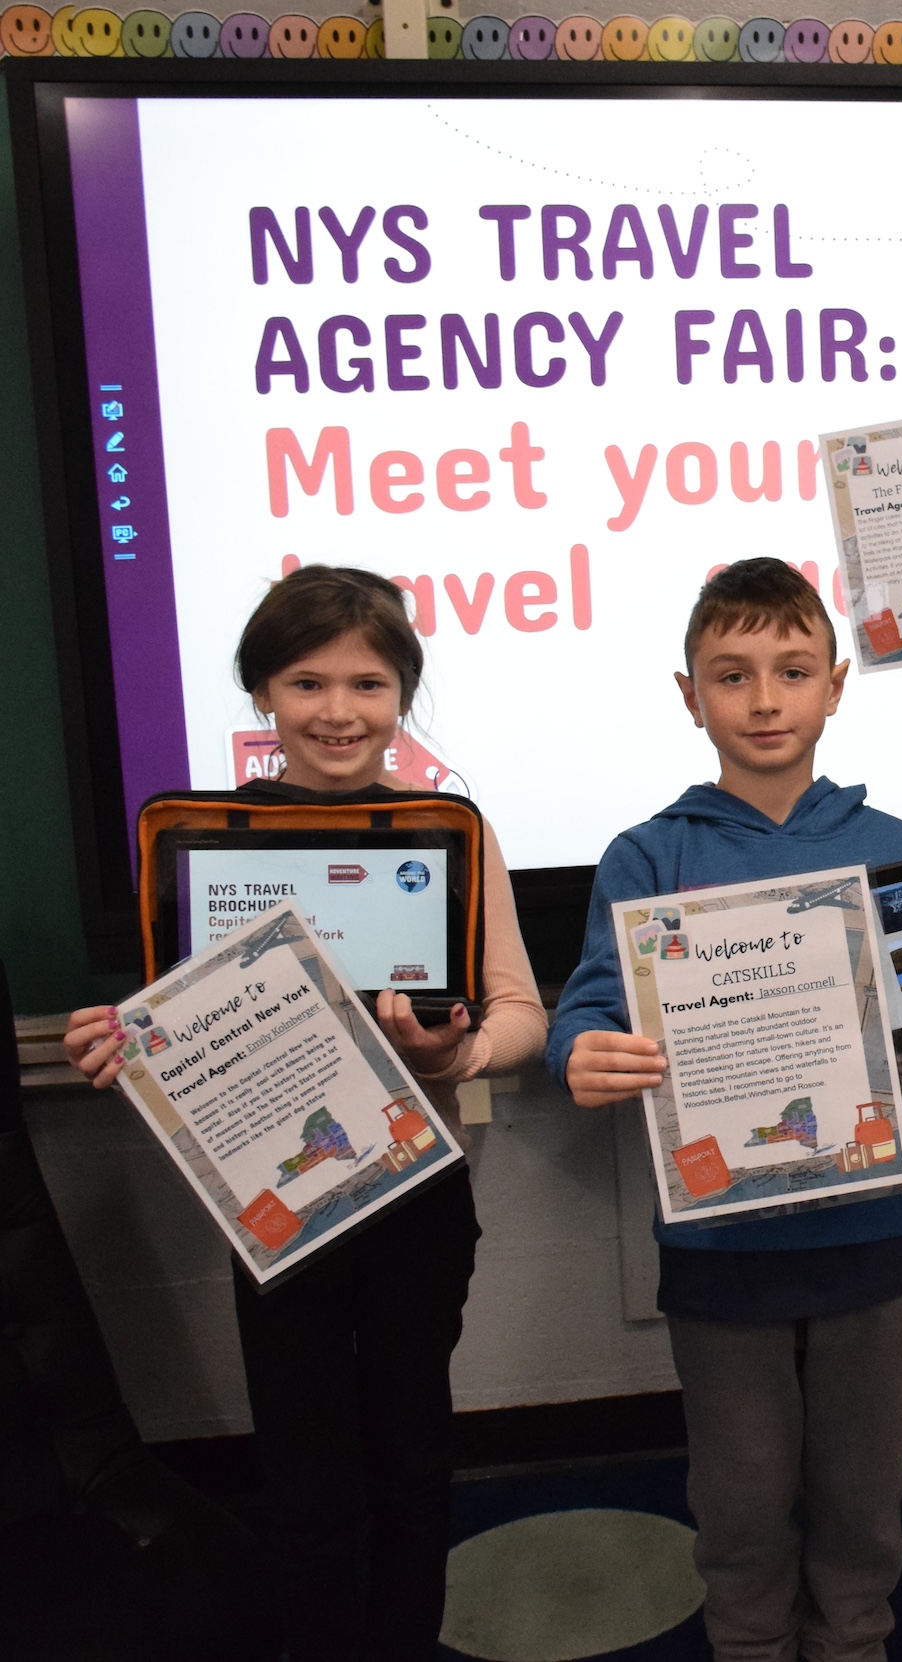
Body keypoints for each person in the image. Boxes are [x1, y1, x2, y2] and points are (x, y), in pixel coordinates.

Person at [64, 565, 548, 1662]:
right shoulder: (207, 843)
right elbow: (179, 1030)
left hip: (419, 1201)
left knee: (413, 1465)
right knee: (304, 1483)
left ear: (403, 694)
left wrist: (459, 1052)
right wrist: (122, 1042)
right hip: (277, 1212)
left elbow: (520, 1013)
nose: (339, 712)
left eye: (369, 684)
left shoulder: (448, 832)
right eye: (306, 682)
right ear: (261, 694)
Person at [547, 558, 902, 1662]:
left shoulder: (896, 850)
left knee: (862, 1491)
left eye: (792, 671)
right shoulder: (650, 856)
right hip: (722, 1256)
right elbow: (589, 1006)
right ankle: (748, 1642)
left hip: (873, 1240)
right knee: (739, 1496)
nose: (765, 700)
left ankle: (855, 1638)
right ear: (691, 697)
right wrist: (580, 1052)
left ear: (835, 688)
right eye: (732, 676)